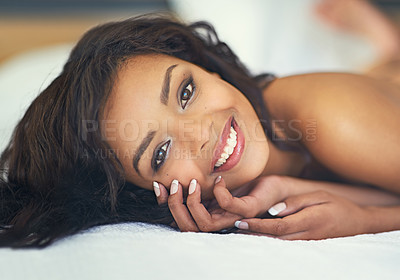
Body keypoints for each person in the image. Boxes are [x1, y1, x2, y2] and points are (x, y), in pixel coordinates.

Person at [1, 0, 400, 247]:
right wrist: (285, 189)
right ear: (145, 194)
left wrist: (367, 220)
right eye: (160, 152)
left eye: (186, 92)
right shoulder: (255, 189)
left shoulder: (332, 117)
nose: (200, 132)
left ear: (208, 68)